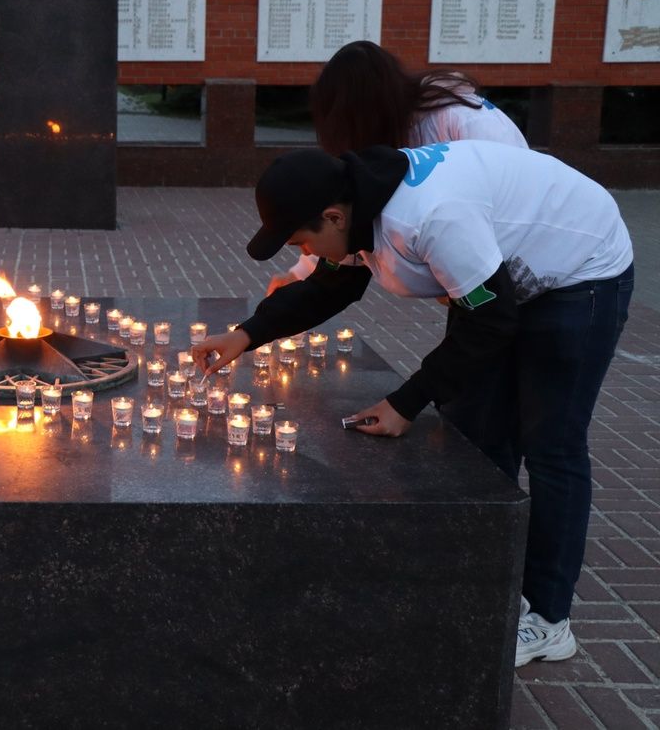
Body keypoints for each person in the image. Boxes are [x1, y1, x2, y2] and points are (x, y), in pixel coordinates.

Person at [194, 140, 633, 669]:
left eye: (304, 241)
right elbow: (329, 287)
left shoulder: (432, 218)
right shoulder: (359, 206)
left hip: (578, 272)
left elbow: (490, 321)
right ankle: (491, 583)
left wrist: (407, 401)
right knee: (475, 431)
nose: (305, 255)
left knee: (551, 443)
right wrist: (247, 334)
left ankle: (548, 619)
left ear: (333, 216)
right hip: (501, 282)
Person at [267, 40, 527, 295]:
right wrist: (301, 274)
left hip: (528, 276)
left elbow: (518, 208)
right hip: (475, 282)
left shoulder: (467, 123)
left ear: (363, 112)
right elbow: (347, 218)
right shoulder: (396, 132)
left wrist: (468, 281)